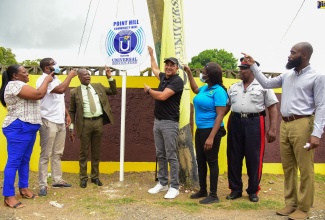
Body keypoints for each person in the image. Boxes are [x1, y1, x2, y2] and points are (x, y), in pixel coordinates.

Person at [243, 42, 325, 219]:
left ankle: (304, 208)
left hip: (303, 125)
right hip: (285, 124)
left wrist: (316, 134)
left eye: (293, 52)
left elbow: (321, 106)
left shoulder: (317, 77)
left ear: (304, 55)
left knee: (305, 168)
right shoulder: (287, 76)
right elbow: (266, 83)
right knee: (288, 167)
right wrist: (253, 65)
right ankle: (291, 204)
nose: (289, 55)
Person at [225, 58, 278, 203]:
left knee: (254, 158)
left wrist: (272, 128)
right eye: (240, 68)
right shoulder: (234, 87)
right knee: (234, 157)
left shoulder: (264, 86)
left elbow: (272, 107)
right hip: (235, 122)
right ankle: (235, 189)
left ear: (253, 70)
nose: (240, 71)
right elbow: (226, 107)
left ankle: (253, 190)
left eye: (244, 68)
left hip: (255, 123)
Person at [0, 65, 53, 208]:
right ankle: (8, 196)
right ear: (15, 76)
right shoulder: (14, 85)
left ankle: (23, 188)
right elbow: (38, 94)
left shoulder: (21, 84)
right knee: (14, 161)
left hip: (28, 127)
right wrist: (47, 80)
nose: (27, 73)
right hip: (18, 127)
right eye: (24, 72)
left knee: (25, 160)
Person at [184, 62, 228, 204]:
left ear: (210, 75)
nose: (202, 74)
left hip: (212, 131)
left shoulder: (219, 91)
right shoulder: (205, 89)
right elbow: (195, 89)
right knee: (201, 161)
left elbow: (220, 115)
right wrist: (189, 73)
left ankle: (213, 195)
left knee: (212, 161)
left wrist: (211, 137)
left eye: (203, 72)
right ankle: (203, 190)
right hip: (201, 129)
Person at [144, 46, 184, 199]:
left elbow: (162, 96)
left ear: (176, 68)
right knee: (160, 154)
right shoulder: (163, 78)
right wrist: (152, 54)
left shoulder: (177, 81)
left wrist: (149, 91)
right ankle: (162, 183)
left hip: (169, 123)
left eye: (171, 65)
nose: (168, 67)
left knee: (171, 155)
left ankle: (174, 186)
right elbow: (154, 68)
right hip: (158, 121)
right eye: (167, 64)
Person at [69, 67, 117, 188]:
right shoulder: (74, 92)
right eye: (84, 75)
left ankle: (95, 177)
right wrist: (71, 127)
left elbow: (113, 91)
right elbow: (72, 110)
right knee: (83, 152)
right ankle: (83, 177)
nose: (88, 76)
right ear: (79, 77)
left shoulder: (98, 86)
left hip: (98, 122)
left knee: (96, 151)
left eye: (89, 74)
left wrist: (109, 77)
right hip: (85, 124)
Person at [36, 58, 77, 196]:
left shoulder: (56, 79)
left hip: (60, 120)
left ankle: (57, 180)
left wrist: (67, 115)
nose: (57, 65)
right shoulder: (43, 80)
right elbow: (60, 90)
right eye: (54, 63)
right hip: (48, 121)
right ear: (47, 68)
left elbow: (60, 100)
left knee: (58, 153)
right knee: (45, 154)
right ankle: (42, 184)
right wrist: (70, 76)